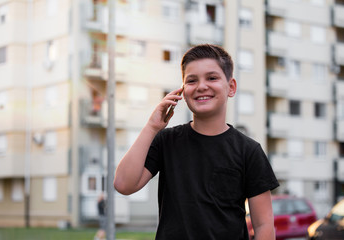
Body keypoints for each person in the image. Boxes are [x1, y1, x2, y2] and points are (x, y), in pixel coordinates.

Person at [114, 44, 279, 239]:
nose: (201, 86)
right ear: (183, 91)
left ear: (231, 87)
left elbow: (264, 226)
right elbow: (124, 184)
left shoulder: (249, 151)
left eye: (212, 78)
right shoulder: (167, 141)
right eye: (192, 80)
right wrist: (151, 127)